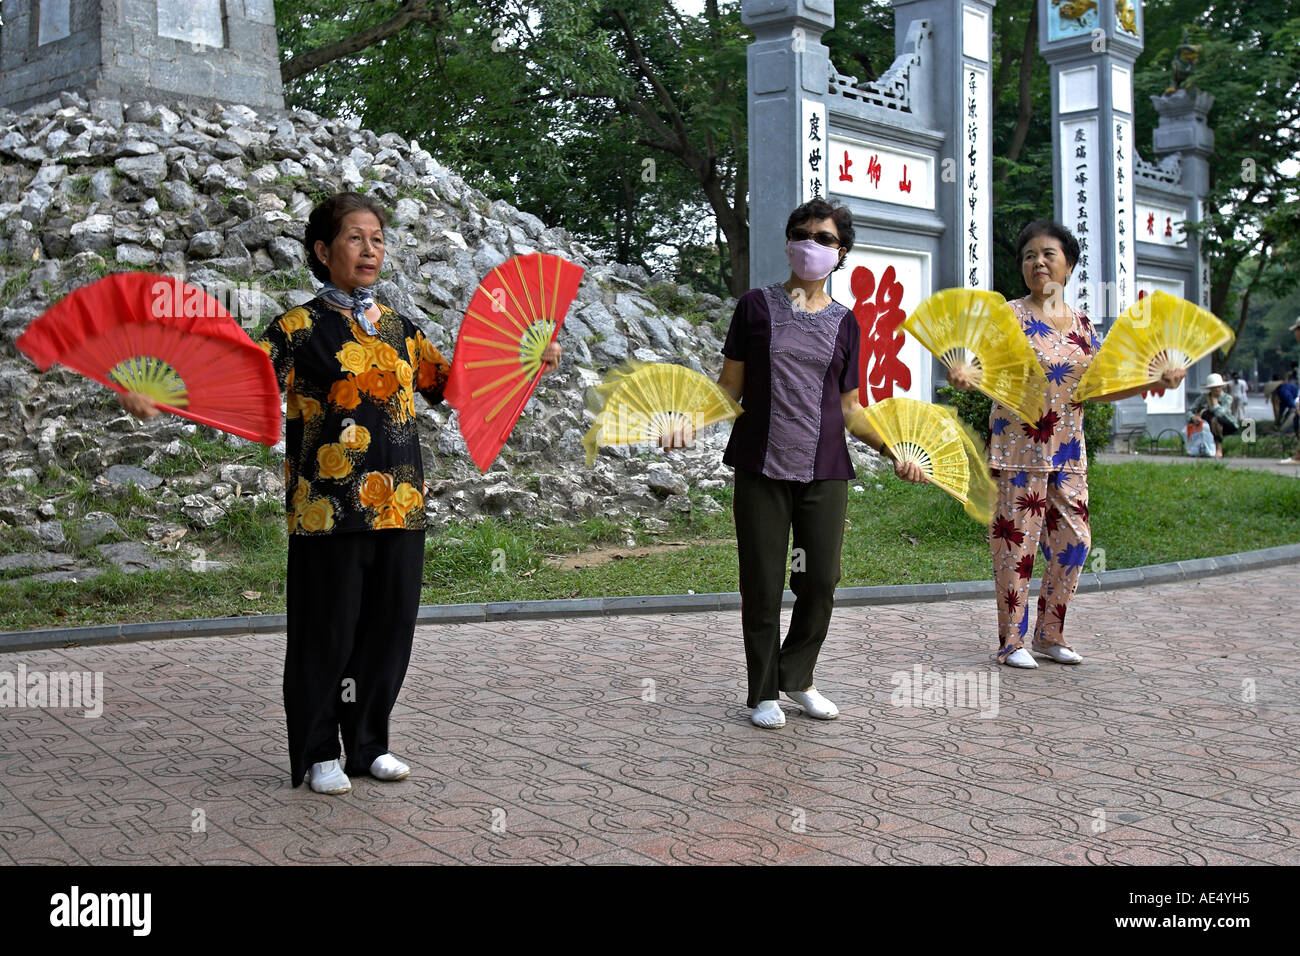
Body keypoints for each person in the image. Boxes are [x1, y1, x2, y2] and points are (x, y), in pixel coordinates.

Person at [120, 192, 560, 793]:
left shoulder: (404, 331)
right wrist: (161, 391)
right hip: (326, 510)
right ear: (324, 251)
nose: (370, 249)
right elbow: (237, 380)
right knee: (327, 632)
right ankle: (320, 747)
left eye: (377, 239)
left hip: (401, 505)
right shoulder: (297, 330)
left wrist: (527, 360)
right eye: (355, 238)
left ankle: (370, 743)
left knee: (388, 631)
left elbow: (454, 388)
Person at [703, 198, 926, 728]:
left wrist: (893, 449)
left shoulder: (847, 323)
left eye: (824, 238)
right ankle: (762, 692)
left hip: (824, 469)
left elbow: (851, 409)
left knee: (819, 581)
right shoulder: (754, 307)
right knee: (761, 582)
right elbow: (728, 389)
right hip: (761, 464)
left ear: (841, 252)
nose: (811, 244)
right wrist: (684, 420)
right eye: (801, 234)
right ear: (787, 242)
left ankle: (797, 676)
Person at [947, 220, 1184, 668]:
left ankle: (1049, 634)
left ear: (1069, 265)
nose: (1037, 262)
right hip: (1017, 451)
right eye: (1029, 255)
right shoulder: (1007, 317)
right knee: (1016, 549)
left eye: (1048, 254)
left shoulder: (1081, 324)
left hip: (1068, 453)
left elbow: (1097, 387)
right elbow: (969, 370)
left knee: (1076, 542)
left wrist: (1154, 381)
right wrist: (961, 378)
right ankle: (1011, 642)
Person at [1188, 372, 1238, 459]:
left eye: (1219, 387)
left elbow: (1220, 413)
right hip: (1209, 423)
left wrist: (1214, 404)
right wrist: (1193, 417)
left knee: (1216, 419)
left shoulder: (1227, 398)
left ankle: (1219, 447)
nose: (1217, 389)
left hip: (1226, 423)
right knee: (1206, 414)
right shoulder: (1204, 397)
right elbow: (1189, 411)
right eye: (1214, 387)